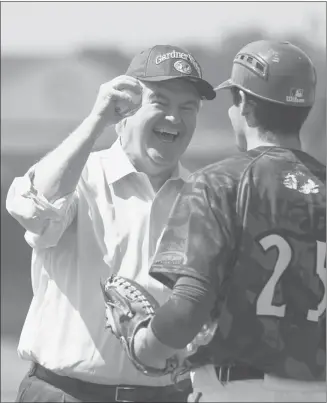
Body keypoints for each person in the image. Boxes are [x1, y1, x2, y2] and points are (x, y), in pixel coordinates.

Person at [6, 44, 216, 402]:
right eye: (160, 102)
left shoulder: (206, 196)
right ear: (124, 114)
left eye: (187, 108)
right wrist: (96, 120)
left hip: (167, 395)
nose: (174, 118)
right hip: (64, 392)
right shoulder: (80, 177)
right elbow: (33, 211)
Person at [129, 40, 326, 402]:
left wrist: (146, 345)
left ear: (244, 104)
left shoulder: (218, 183)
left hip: (237, 390)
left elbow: (189, 304)